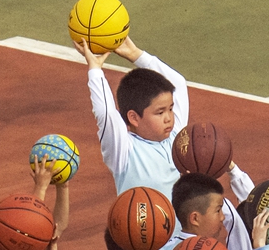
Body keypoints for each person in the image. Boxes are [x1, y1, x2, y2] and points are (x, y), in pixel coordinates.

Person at [75, 35, 188, 198]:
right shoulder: (124, 151)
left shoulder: (176, 136)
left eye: (170, 109)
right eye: (160, 112)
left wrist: (136, 54)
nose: (169, 117)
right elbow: (106, 113)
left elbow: (178, 84)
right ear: (134, 118)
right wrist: (95, 69)